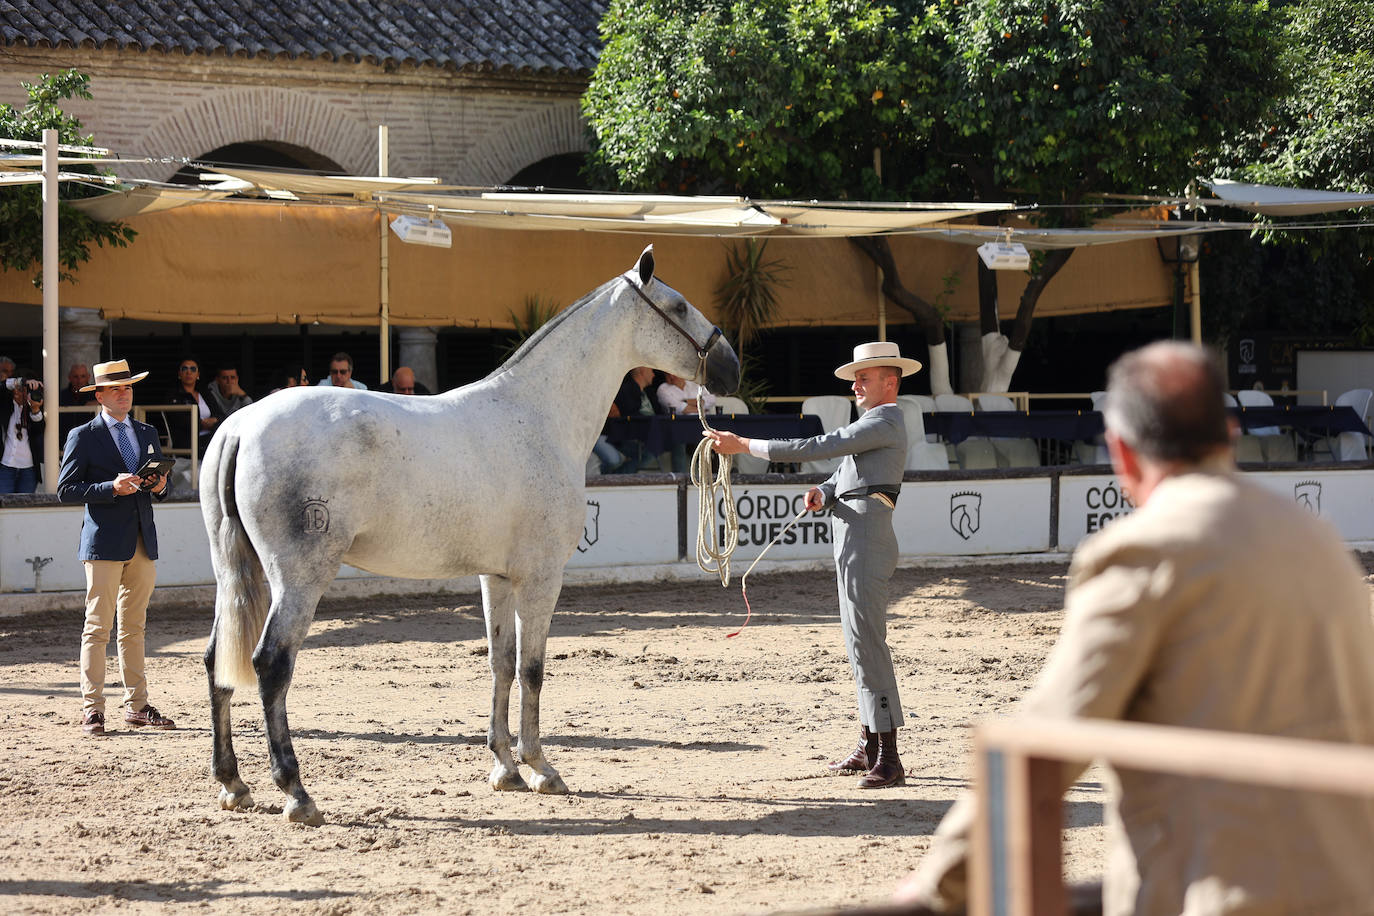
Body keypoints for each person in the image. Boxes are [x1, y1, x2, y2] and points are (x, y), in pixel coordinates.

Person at [896, 341, 1374, 915]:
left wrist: (941, 880)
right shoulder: (1316, 537)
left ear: (1121, 451)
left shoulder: (1142, 549)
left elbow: (1046, 739)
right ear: (1229, 434)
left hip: (1221, 896)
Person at [705, 341, 920, 788]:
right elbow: (845, 471)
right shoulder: (874, 423)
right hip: (855, 533)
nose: (856, 385)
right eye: (856, 378)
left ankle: (889, 757)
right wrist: (825, 491)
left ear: (890, 382)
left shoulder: (884, 420)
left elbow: (817, 445)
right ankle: (870, 744)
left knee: (867, 643)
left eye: (864, 377)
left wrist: (744, 444)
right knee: (859, 642)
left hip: (865, 536)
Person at [57, 359, 176, 737]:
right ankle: (92, 709)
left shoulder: (147, 431)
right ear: (100, 396)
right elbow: (65, 490)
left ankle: (137, 705)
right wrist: (110, 487)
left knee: (134, 629)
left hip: (142, 540)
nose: (124, 394)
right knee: (97, 628)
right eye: (115, 389)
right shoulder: (83, 435)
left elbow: (162, 485)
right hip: (104, 542)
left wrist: (160, 486)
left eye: (127, 387)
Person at [163, 358, 222, 455]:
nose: (189, 372)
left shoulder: (205, 393)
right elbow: (178, 420)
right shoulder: (173, 396)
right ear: (179, 374)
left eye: (193, 369)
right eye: (184, 369)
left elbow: (220, 414)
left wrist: (215, 420)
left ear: (198, 374)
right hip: (187, 444)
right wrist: (201, 424)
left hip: (210, 440)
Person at [1, 369, 45, 494]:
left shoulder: (36, 406)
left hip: (28, 469)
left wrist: (35, 409)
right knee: (4, 504)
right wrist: (20, 382)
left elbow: (39, 429)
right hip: (5, 466)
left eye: (25, 390)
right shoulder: (5, 405)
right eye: (18, 389)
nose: (19, 392)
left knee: (25, 504)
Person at [58, 363, 98, 440]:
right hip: (65, 440)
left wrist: (100, 403)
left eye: (83, 376)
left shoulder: (97, 395)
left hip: (90, 439)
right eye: (75, 377)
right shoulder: (60, 396)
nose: (79, 381)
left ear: (88, 377)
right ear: (69, 378)